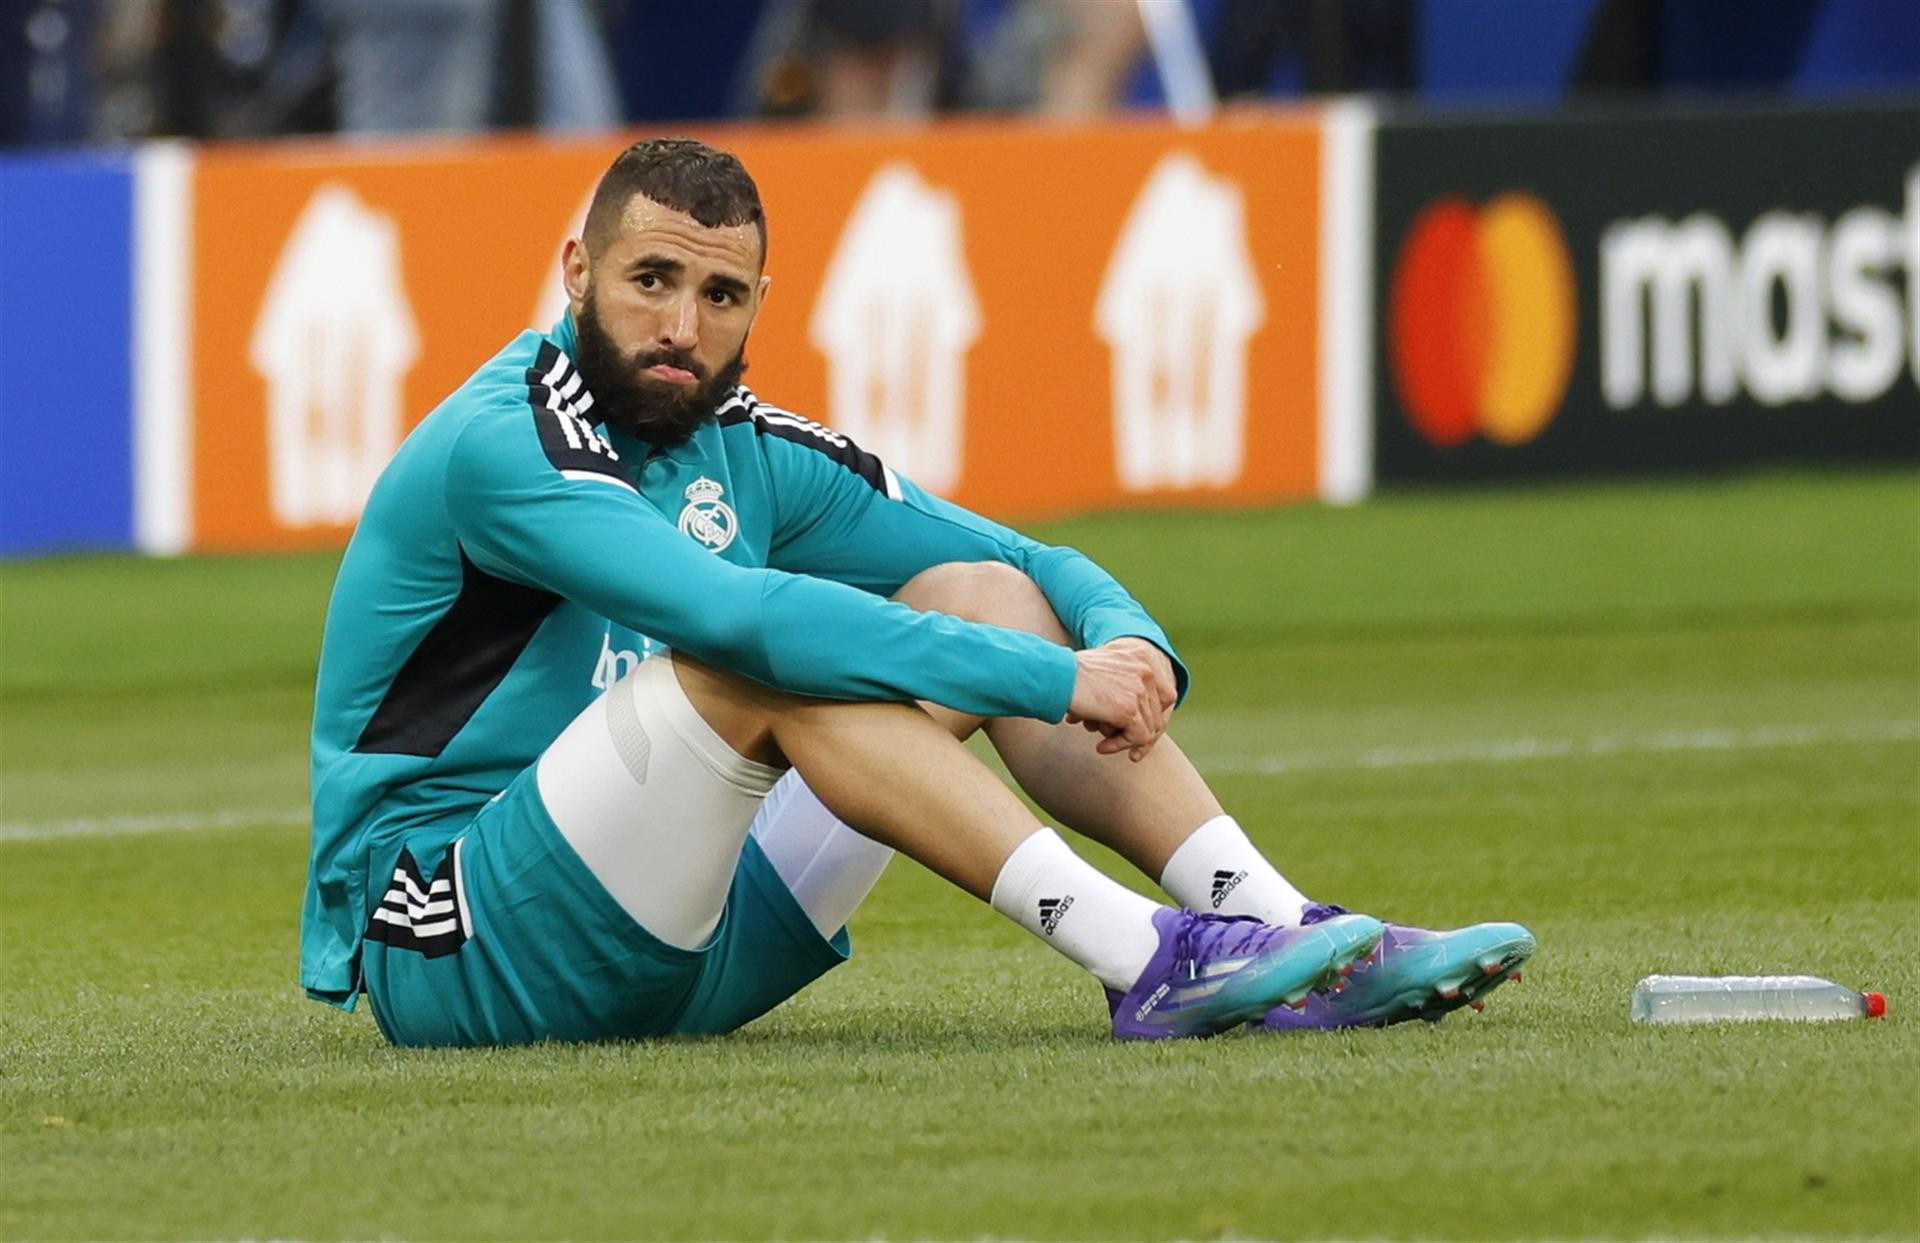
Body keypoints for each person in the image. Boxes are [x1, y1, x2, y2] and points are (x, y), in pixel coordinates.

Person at [302, 137, 1532, 1047]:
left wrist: (1127, 636)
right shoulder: (503, 442)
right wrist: (1058, 681)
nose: (682, 325)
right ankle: (1143, 957)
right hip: (457, 937)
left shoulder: (741, 438)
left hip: (700, 937)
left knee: (979, 590)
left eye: (719, 295)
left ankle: (1294, 931)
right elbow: (740, 622)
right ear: (577, 270)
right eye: (651, 280)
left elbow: (1027, 561)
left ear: (757, 308)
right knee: (765, 652)